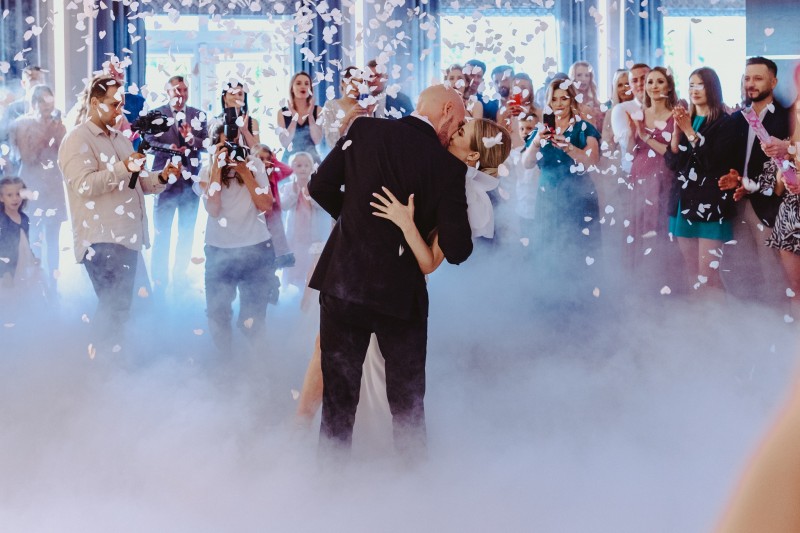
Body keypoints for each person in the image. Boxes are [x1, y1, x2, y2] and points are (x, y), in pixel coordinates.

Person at [296, 118, 510, 429]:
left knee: (398, 394)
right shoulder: (432, 162)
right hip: (365, 282)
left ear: (475, 154)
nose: (452, 132)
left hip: (400, 291)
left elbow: (429, 263)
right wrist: (359, 218)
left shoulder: (464, 192)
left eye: (461, 132)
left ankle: (390, 451)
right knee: (347, 379)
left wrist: (405, 223)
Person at [307, 84, 472, 462]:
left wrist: (356, 220)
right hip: (400, 297)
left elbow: (319, 186)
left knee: (338, 399)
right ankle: (413, 486)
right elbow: (458, 249)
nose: (455, 132)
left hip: (344, 283)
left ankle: (327, 486)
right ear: (447, 110)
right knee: (406, 402)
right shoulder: (448, 167)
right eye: (459, 121)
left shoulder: (364, 129)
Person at [57, 75, 181, 347]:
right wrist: (124, 167)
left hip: (128, 239)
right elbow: (84, 185)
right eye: (114, 104)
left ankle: (119, 362)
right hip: (101, 240)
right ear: (94, 102)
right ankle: (101, 364)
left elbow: (138, 184)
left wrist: (162, 176)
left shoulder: (120, 139)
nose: (119, 111)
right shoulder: (77, 140)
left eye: (121, 104)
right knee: (114, 310)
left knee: (129, 311)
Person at [717, 56, 794, 305]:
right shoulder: (737, 118)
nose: (751, 84)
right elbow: (730, 157)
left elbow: (789, 164)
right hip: (737, 202)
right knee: (739, 268)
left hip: (771, 205)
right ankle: (747, 320)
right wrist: (733, 177)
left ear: (773, 82)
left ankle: (776, 321)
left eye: (758, 78)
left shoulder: (788, 118)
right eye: (747, 78)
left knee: (772, 272)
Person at [197, 125, 276, 352]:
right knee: (217, 315)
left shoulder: (254, 164)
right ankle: (226, 361)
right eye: (225, 145)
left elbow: (266, 205)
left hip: (256, 249)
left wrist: (244, 172)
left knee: (253, 319)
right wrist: (217, 167)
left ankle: (258, 366)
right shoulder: (206, 170)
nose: (232, 149)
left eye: (235, 143)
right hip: (219, 249)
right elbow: (213, 209)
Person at [523, 78, 601, 299]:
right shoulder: (541, 130)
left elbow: (592, 161)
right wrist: (536, 141)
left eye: (564, 98)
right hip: (548, 196)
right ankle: (550, 298)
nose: (559, 103)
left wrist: (568, 147)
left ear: (571, 100)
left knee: (579, 247)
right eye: (554, 99)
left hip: (579, 195)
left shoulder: (584, 128)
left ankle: (580, 299)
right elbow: (526, 163)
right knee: (548, 245)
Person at [665, 67, 734, 296]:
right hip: (683, 201)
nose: (694, 90)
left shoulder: (725, 122)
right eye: (691, 85)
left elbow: (712, 163)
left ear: (712, 88)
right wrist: (677, 133)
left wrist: (689, 131)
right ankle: (697, 316)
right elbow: (673, 163)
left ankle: (719, 316)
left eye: (700, 85)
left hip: (710, 204)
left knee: (709, 275)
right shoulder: (689, 119)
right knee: (692, 272)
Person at [145, 75, 208, 295]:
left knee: (186, 233)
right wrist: (169, 149)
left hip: (190, 183)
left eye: (184, 89)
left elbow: (207, 144)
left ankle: (180, 277)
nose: (181, 94)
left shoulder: (199, 115)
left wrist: (191, 140)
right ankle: (159, 281)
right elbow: (148, 144)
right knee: (162, 233)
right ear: (168, 92)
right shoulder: (155, 115)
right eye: (176, 90)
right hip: (164, 183)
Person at [8, 85, 67, 291]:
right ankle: (35, 285)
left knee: (53, 238)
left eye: (50, 100)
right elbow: (27, 157)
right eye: (42, 101)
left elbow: (64, 156)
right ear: (34, 103)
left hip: (53, 187)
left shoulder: (59, 125)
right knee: (33, 237)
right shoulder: (22, 125)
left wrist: (58, 132)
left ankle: (54, 286)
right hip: (31, 187)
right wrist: (46, 134)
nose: (47, 105)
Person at [624, 66, 678, 286]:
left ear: (669, 86)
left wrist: (645, 136)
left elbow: (673, 153)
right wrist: (631, 133)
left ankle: (663, 283)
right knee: (640, 226)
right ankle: (640, 283)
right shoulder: (639, 114)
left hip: (665, 177)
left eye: (660, 81)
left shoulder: (676, 115)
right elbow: (630, 151)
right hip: (640, 176)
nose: (654, 86)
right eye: (650, 82)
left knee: (660, 227)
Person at [279, 151, 331, 288]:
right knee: (292, 267)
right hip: (293, 236)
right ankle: (289, 292)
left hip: (312, 236)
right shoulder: (288, 187)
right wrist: (295, 192)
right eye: (299, 165)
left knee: (309, 267)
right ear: (292, 168)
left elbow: (323, 206)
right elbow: (283, 206)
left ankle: (306, 293)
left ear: (312, 168)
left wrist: (309, 195)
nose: (303, 169)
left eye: (306, 165)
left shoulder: (316, 187)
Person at [251, 143, 295, 275]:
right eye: (260, 159)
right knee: (261, 246)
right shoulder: (251, 177)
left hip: (274, 215)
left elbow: (288, 170)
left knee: (277, 243)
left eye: (267, 159)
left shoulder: (273, 174)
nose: (264, 162)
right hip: (259, 216)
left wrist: (274, 160)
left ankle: (274, 267)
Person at [0, 177, 45, 301]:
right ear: (1, 198)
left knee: (22, 293)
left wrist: (32, 257)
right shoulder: (2, 220)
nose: (15, 198)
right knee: (8, 298)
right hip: (6, 270)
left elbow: (25, 241)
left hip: (21, 263)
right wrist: (5, 272)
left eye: (18, 194)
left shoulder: (24, 218)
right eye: (10, 195)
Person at [0, 66, 46, 174]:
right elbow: (2, 137)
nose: (37, 83)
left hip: (44, 167)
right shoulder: (13, 109)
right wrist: (5, 158)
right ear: (23, 84)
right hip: (17, 166)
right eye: (33, 79)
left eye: (41, 80)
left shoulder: (51, 110)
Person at [320, 67, 374, 150]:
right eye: (353, 81)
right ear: (343, 83)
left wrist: (370, 115)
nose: (357, 85)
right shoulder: (330, 106)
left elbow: (370, 139)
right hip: (339, 155)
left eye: (360, 83)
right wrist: (348, 116)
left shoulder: (363, 107)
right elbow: (331, 141)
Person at [278, 71, 323, 163]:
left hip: (312, 160)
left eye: (306, 84)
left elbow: (317, 140)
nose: (303, 86)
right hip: (289, 161)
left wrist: (310, 116)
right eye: (298, 83)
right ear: (292, 88)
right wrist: (294, 119)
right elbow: (285, 143)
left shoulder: (318, 110)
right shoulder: (282, 112)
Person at [611, 63, 650, 166]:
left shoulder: (664, 107)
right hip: (633, 169)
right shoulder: (621, 109)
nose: (640, 83)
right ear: (631, 85)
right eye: (634, 81)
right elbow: (628, 147)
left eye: (644, 78)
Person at [569, 61, 604, 130]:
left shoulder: (596, 103)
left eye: (587, 75)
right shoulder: (567, 102)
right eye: (579, 75)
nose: (583, 79)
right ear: (573, 78)